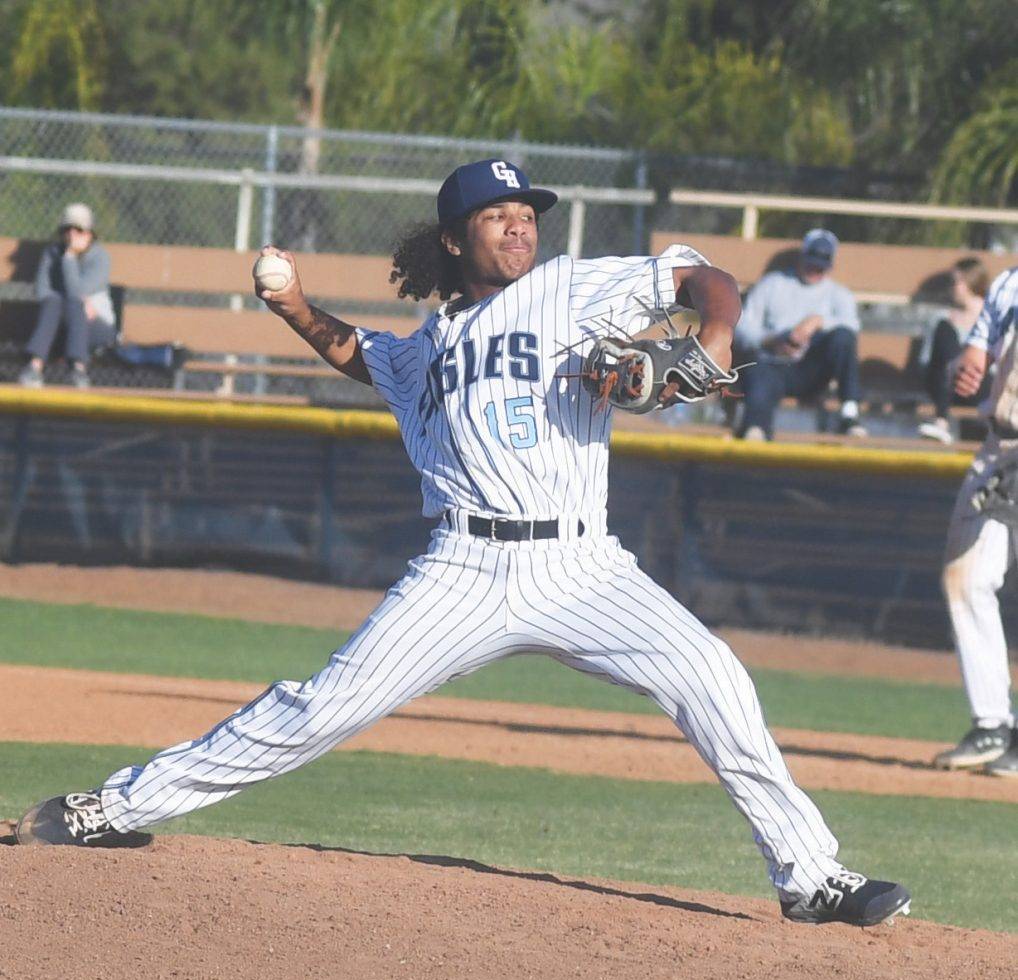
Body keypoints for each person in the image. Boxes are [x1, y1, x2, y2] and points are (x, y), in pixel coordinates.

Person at [15, 159, 910, 927]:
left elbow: (700, 276)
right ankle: (114, 805)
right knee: (318, 709)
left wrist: (711, 334)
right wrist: (291, 304)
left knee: (712, 675)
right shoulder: (426, 349)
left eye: (527, 216)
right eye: (498, 217)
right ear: (454, 238)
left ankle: (810, 878)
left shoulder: (568, 287)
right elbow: (355, 351)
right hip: (464, 570)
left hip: (582, 564)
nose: (520, 230)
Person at [934, 266, 1018, 776]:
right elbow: (975, 354)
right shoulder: (1009, 282)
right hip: (1002, 446)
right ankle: (992, 723)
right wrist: (966, 368)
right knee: (965, 579)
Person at [734, 229, 865, 441]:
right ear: (802, 257)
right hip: (773, 365)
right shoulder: (772, 284)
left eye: (821, 267)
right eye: (811, 263)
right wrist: (771, 339)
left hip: (814, 371)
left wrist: (818, 322)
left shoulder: (838, 294)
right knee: (757, 373)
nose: (815, 270)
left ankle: (850, 415)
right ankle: (755, 432)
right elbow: (743, 327)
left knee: (843, 337)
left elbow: (852, 326)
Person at [18, 202, 117, 389]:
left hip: (96, 326)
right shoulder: (52, 253)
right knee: (55, 301)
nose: (71, 234)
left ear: (89, 233)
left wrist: (70, 258)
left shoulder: (100, 257)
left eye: (78, 229)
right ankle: (35, 368)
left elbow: (76, 292)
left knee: (74, 304)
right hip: (58, 325)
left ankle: (77, 369)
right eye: (67, 229)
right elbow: (42, 290)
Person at [916, 258, 991, 445]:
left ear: (970, 281)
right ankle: (941, 421)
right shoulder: (943, 319)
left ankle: (941, 422)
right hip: (945, 383)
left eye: (956, 282)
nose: (952, 287)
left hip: (980, 384)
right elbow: (928, 361)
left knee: (967, 363)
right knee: (945, 330)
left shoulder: (995, 320)